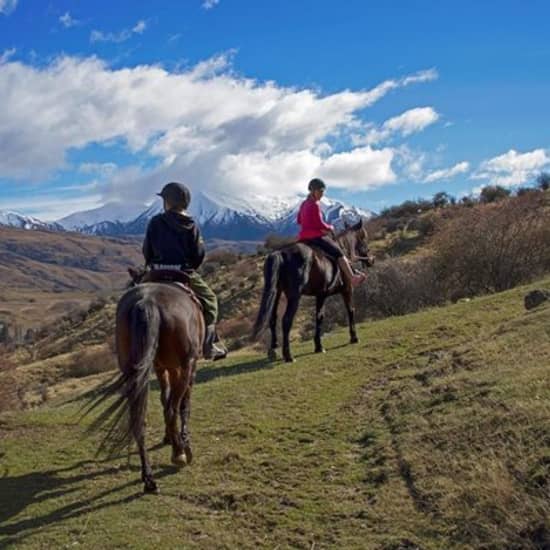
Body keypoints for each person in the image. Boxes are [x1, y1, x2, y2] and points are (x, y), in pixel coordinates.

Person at [142, 181, 228, 360]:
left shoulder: (155, 221)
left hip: (156, 272)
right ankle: (208, 346)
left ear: (167, 201)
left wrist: (151, 264)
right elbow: (198, 253)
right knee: (211, 300)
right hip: (182, 272)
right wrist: (190, 269)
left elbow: (147, 250)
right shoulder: (191, 224)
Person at [297, 178, 366, 287]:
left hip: (303, 238)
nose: (322, 194)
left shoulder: (303, 204)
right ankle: (353, 278)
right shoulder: (314, 205)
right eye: (320, 191)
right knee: (339, 253)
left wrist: (309, 224)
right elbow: (320, 224)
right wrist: (330, 227)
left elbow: (299, 220)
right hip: (316, 237)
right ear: (313, 191)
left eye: (322, 192)